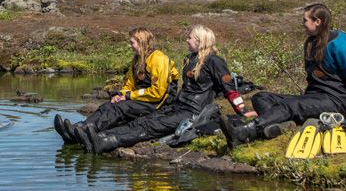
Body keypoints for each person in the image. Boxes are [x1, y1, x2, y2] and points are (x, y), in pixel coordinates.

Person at [220, 3, 346, 146]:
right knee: (261, 98)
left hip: (334, 103)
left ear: (317, 22)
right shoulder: (310, 43)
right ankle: (279, 124)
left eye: (305, 20)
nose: (302, 24)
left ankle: (243, 133)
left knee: (291, 105)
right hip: (314, 98)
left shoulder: (343, 44)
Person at [77, 25, 245, 154]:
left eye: (189, 38)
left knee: (152, 126)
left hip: (193, 112)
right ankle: (99, 137)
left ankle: (108, 141)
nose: (186, 40)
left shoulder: (215, 61)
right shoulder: (191, 60)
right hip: (178, 106)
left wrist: (242, 112)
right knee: (143, 121)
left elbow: (230, 90)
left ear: (200, 41)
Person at [54, 27, 179, 144]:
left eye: (132, 43)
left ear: (142, 42)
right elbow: (129, 84)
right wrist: (120, 95)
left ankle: (84, 130)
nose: (130, 46)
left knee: (119, 108)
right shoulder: (137, 60)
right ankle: (78, 129)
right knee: (109, 105)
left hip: (159, 104)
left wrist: (129, 96)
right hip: (144, 100)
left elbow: (158, 93)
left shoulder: (158, 59)